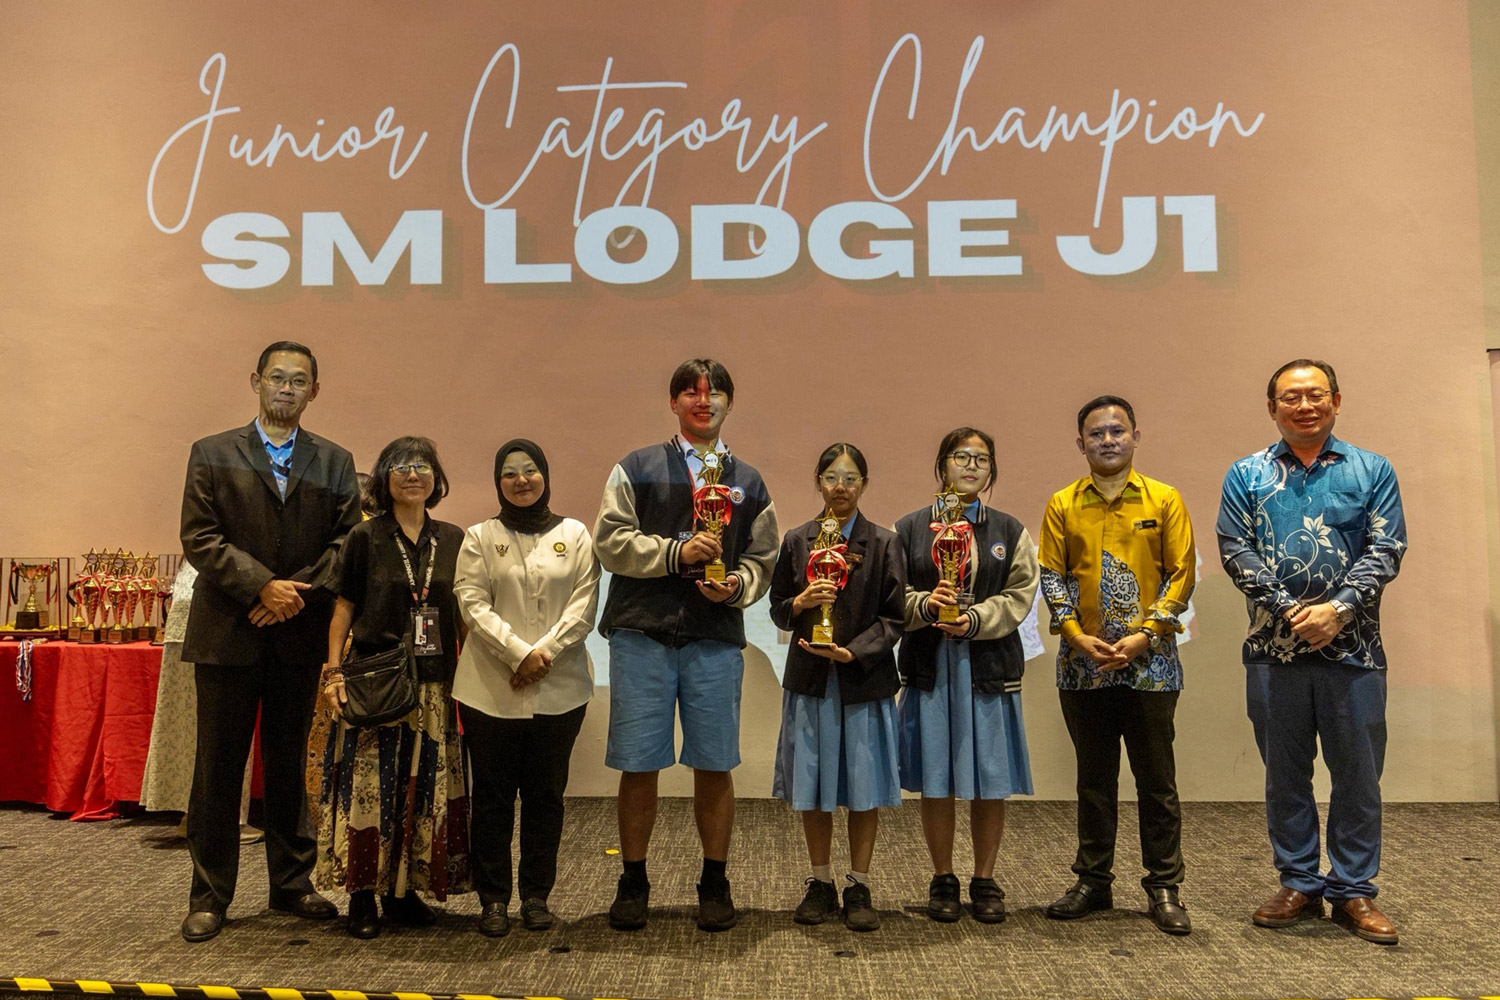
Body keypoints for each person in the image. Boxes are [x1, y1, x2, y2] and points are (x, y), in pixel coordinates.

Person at [1218, 359, 1406, 945]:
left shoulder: (1371, 469)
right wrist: (1293, 614)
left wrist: (1338, 610)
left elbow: (1388, 547)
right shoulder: (1247, 474)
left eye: (1315, 395)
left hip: (1355, 653)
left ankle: (1354, 890)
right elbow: (1234, 549)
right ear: (1271, 407)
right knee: (1285, 775)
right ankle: (1298, 881)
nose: (1305, 405)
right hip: (1275, 652)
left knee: (1358, 776)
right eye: (1291, 397)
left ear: (1337, 400)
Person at [177, 341, 361, 943]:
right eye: (276, 377)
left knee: (289, 767)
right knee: (218, 770)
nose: (286, 387)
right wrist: (262, 587)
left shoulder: (335, 461)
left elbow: (344, 547)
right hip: (227, 634)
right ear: (255, 380)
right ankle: (209, 895)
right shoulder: (211, 452)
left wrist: (294, 595)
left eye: (299, 380)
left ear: (315, 390)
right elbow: (200, 538)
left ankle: (292, 883)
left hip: (298, 635)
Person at [594, 358, 779, 932]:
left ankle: (715, 880)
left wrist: (738, 586)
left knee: (714, 764)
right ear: (674, 402)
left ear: (729, 403)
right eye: (691, 392)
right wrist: (676, 553)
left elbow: (763, 557)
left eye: (715, 392)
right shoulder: (636, 467)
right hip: (642, 634)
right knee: (638, 765)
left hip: (714, 639)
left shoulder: (747, 480)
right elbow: (609, 542)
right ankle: (633, 880)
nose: (704, 400)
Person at [1037, 396, 1196, 935]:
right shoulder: (1062, 503)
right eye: (1096, 433)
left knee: (1157, 781)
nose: (1108, 440)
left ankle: (1165, 886)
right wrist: (1076, 637)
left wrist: (1145, 635)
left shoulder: (1165, 499)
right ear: (1080, 443)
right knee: (1094, 779)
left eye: (1117, 431)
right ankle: (1093, 880)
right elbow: (1052, 576)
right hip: (1083, 666)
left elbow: (1181, 574)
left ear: (1135, 436)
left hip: (1151, 663)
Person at [315, 436, 470, 939]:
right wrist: (333, 671)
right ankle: (362, 895)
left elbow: (462, 616)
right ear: (384, 478)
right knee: (370, 792)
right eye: (400, 466)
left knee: (421, 791)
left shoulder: (453, 538)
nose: (412, 474)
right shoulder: (365, 538)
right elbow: (344, 610)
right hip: (375, 683)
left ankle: (403, 893)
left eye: (422, 465)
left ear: (436, 478)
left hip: (433, 687)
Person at [453, 439, 600, 938]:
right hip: (489, 690)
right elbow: (471, 602)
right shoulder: (479, 536)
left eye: (530, 470)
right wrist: (520, 654)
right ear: (498, 481)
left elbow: (583, 604)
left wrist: (545, 656)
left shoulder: (575, 533)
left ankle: (537, 897)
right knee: (491, 797)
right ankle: (492, 900)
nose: (521, 480)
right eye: (510, 473)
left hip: (561, 691)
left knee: (545, 796)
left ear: (545, 476)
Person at [895, 427, 1038, 924]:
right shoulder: (911, 528)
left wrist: (975, 619)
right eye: (961, 457)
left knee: (989, 781)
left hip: (988, 669)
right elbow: (893, 599)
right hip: (931, 667)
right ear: (942, 465)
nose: (971, 466)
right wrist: (927, 607)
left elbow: (1020, 595)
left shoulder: (1009, 530)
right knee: (938, 781)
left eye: (981, 459)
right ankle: (943, 877)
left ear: (991, 470)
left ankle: (985, 878)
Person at [768, 444, 906, 931]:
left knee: (863, 787)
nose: (840, 487)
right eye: (831, 477)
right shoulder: (798, 540)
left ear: (864, 485)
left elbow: (895, 618)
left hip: (862, 680)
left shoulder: (885, 542)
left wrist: (856, 652)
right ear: (818, 482)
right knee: (814, 784)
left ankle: (858, 882)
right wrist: (802, 600)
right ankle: (821, 881)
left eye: (850, 478)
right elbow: (778, 607)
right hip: (810, 681)